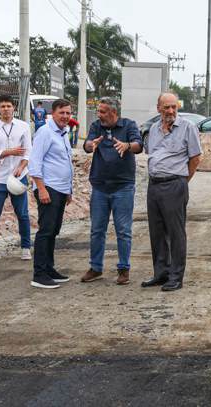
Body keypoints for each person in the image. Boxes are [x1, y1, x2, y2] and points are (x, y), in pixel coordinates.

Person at [141, 92, 202, 292]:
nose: (170, 111)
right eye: (166, 107)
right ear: (158, 108)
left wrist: (183, 181)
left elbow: (195, 158)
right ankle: (161, 273)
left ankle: (176, 276)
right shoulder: (154, 130)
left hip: (175, 184)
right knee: (157, 232)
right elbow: (152, 154)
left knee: (176, 233)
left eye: (174, 107)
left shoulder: (187, 127)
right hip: (154, 185)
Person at [81, 98, 143, 286]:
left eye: (103, 111)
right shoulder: (96, 126)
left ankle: (123, 269)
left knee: (123, 230)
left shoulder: (129, 125)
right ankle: (96, 267)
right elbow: (87, 146)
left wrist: (127, 146)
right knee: (96, 230)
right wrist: (91, 145)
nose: (99, 115)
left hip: (123, 187)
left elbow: (139, 145)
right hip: (99, 186)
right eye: (98, 111)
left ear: (114, 113)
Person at [28, 99, 74, 289]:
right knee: (45, 231)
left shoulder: (64, 133)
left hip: (61, 190)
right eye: (61, 113)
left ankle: (49, 268)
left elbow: (66, 162)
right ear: (53, 114)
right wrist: (41, 188)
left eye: (68, 113)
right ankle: (39, 274)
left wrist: (69, 190)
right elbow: (35, 162)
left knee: (54, 230)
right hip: (49, 189)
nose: (65, 116)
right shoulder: (45, 132)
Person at [0, 95, 32, 264]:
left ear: (14, 108)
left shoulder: (23, 126)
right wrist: (9, 152)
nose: (6, 109)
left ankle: (26, 247)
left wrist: (21, 167)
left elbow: (28, 152)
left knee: (23, 214)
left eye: (8, 106)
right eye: (2, 106)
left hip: (19, 177)